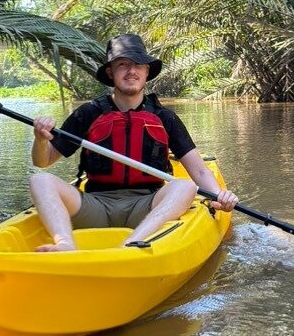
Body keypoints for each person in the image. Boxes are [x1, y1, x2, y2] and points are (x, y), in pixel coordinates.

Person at [29, 34, 238, 252]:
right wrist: (40, 139)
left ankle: (132, 243)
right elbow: (43, 161)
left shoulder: (164, 117)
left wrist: (219, 196)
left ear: (147, 72)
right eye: (123, 65)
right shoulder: (89, 113)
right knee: (40, 180)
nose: (131, 71)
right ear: (111, 72)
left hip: (146, 207)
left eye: (138, 65)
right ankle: (65, 244)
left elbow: (200, 172)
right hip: (96, 206)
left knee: (184, 186)